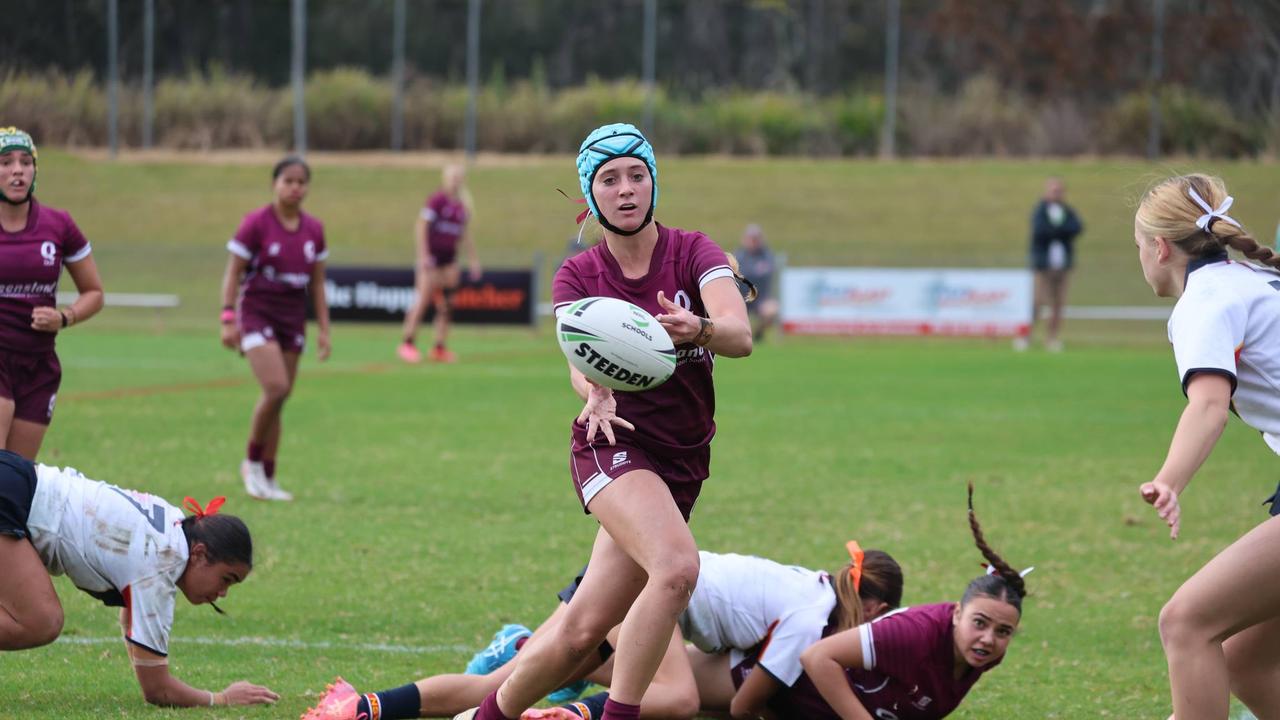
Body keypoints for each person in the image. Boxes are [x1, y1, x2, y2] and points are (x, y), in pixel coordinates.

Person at [452, 123, 752, 720]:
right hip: (613, 446)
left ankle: (485, 717)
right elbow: (580, 360)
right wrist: (597, 393)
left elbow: (740, 334)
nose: (625, 190)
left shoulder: (695, 252)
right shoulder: (579, 276)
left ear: (653, 183)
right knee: (675, 570)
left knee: (580, 631)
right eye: (608, 180)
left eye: (636, 175)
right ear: (592, 196)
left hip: (684, 460)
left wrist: (704, 330)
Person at [301, 544, 903, 720]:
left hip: (637, 580)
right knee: (676, 700)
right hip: (651, 586)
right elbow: (745, 703)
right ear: (869, 602)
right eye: (881, 617)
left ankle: (361, 710)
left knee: (498, 687)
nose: (874, 631)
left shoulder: (810, 589)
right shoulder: (809, 618)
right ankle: (562, 710)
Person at [1131, 173, 1280, 720]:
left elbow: (1209, 405)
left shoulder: (1205, 300)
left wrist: (1169, 479)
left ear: (1159, 247)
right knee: (1247, 663)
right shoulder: (1255, 278)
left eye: (1138, 247)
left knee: (1186, 623)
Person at [0, 449, 278, 707]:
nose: (223, 593)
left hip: (15, 480)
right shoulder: (163, 561)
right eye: (226, 578)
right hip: (11, 498)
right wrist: (222, 698)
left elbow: (132, 612)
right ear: (200, 553)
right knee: (41, 621)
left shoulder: (174, 525)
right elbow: (158, 691)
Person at [793, 484, 1027, 720]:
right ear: (957, 613)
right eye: (979, 622)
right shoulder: (914, 632)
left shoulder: (983, 652)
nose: (988, 638)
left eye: (1003, 631)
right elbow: (816, 657)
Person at [220, 156, 331, 502]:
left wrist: (324, 329)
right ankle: (251, 463)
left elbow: (317, 285)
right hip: (257, 313)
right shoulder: (256, 223)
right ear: (275, 184)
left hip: (292, 319)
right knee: (276, 387)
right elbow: (234, 272)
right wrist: (227, 317)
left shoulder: (314, 229)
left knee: (280, 399)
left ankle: (268, 476)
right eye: (288, 181)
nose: (295, 187)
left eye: (301, 182)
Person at [0, 127, 104, 460]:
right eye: (5, 162)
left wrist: (64, 317)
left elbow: (94, 292)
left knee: (16, 477)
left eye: (25, 162)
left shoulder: (58, 225)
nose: (17, 170)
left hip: (39, 365)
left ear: (35, 170)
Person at [398, 164, 481, 364]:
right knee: (423, 299)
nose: (455, 181)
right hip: (432, 259)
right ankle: (407, 343)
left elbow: (465, 235)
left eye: (458, 177)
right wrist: (423, 255)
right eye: (452, 177)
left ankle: (439, 346)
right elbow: (421, 227)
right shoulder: (437, 200)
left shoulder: (462, 207)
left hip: (449, 260)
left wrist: (473, 260)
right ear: (445, 179)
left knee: (447, 304)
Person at [1015, 177, 1082, 352]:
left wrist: (1057, 231)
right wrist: (1061, 231)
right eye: (1053, 190)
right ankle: (1026, 336)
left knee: (1058, 304)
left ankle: (1051, 338)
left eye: (1059, 191)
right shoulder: (1040, 211)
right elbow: (1041, 231)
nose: (1056, 194)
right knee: (1037, 301)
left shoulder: (1067, 211)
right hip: (1043, 266)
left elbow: (1076, 227)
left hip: (1062, 266)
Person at [734, 224, 779, 342]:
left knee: (772, 309)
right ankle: (741, 336)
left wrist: (749, 272)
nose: (754, 242)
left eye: (756, 239)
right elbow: (738, 275)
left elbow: (768, 271)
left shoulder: (767, 255)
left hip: (761, 298)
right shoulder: (739, 255)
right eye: (751, 239)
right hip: (742, 297)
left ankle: (757, 334)